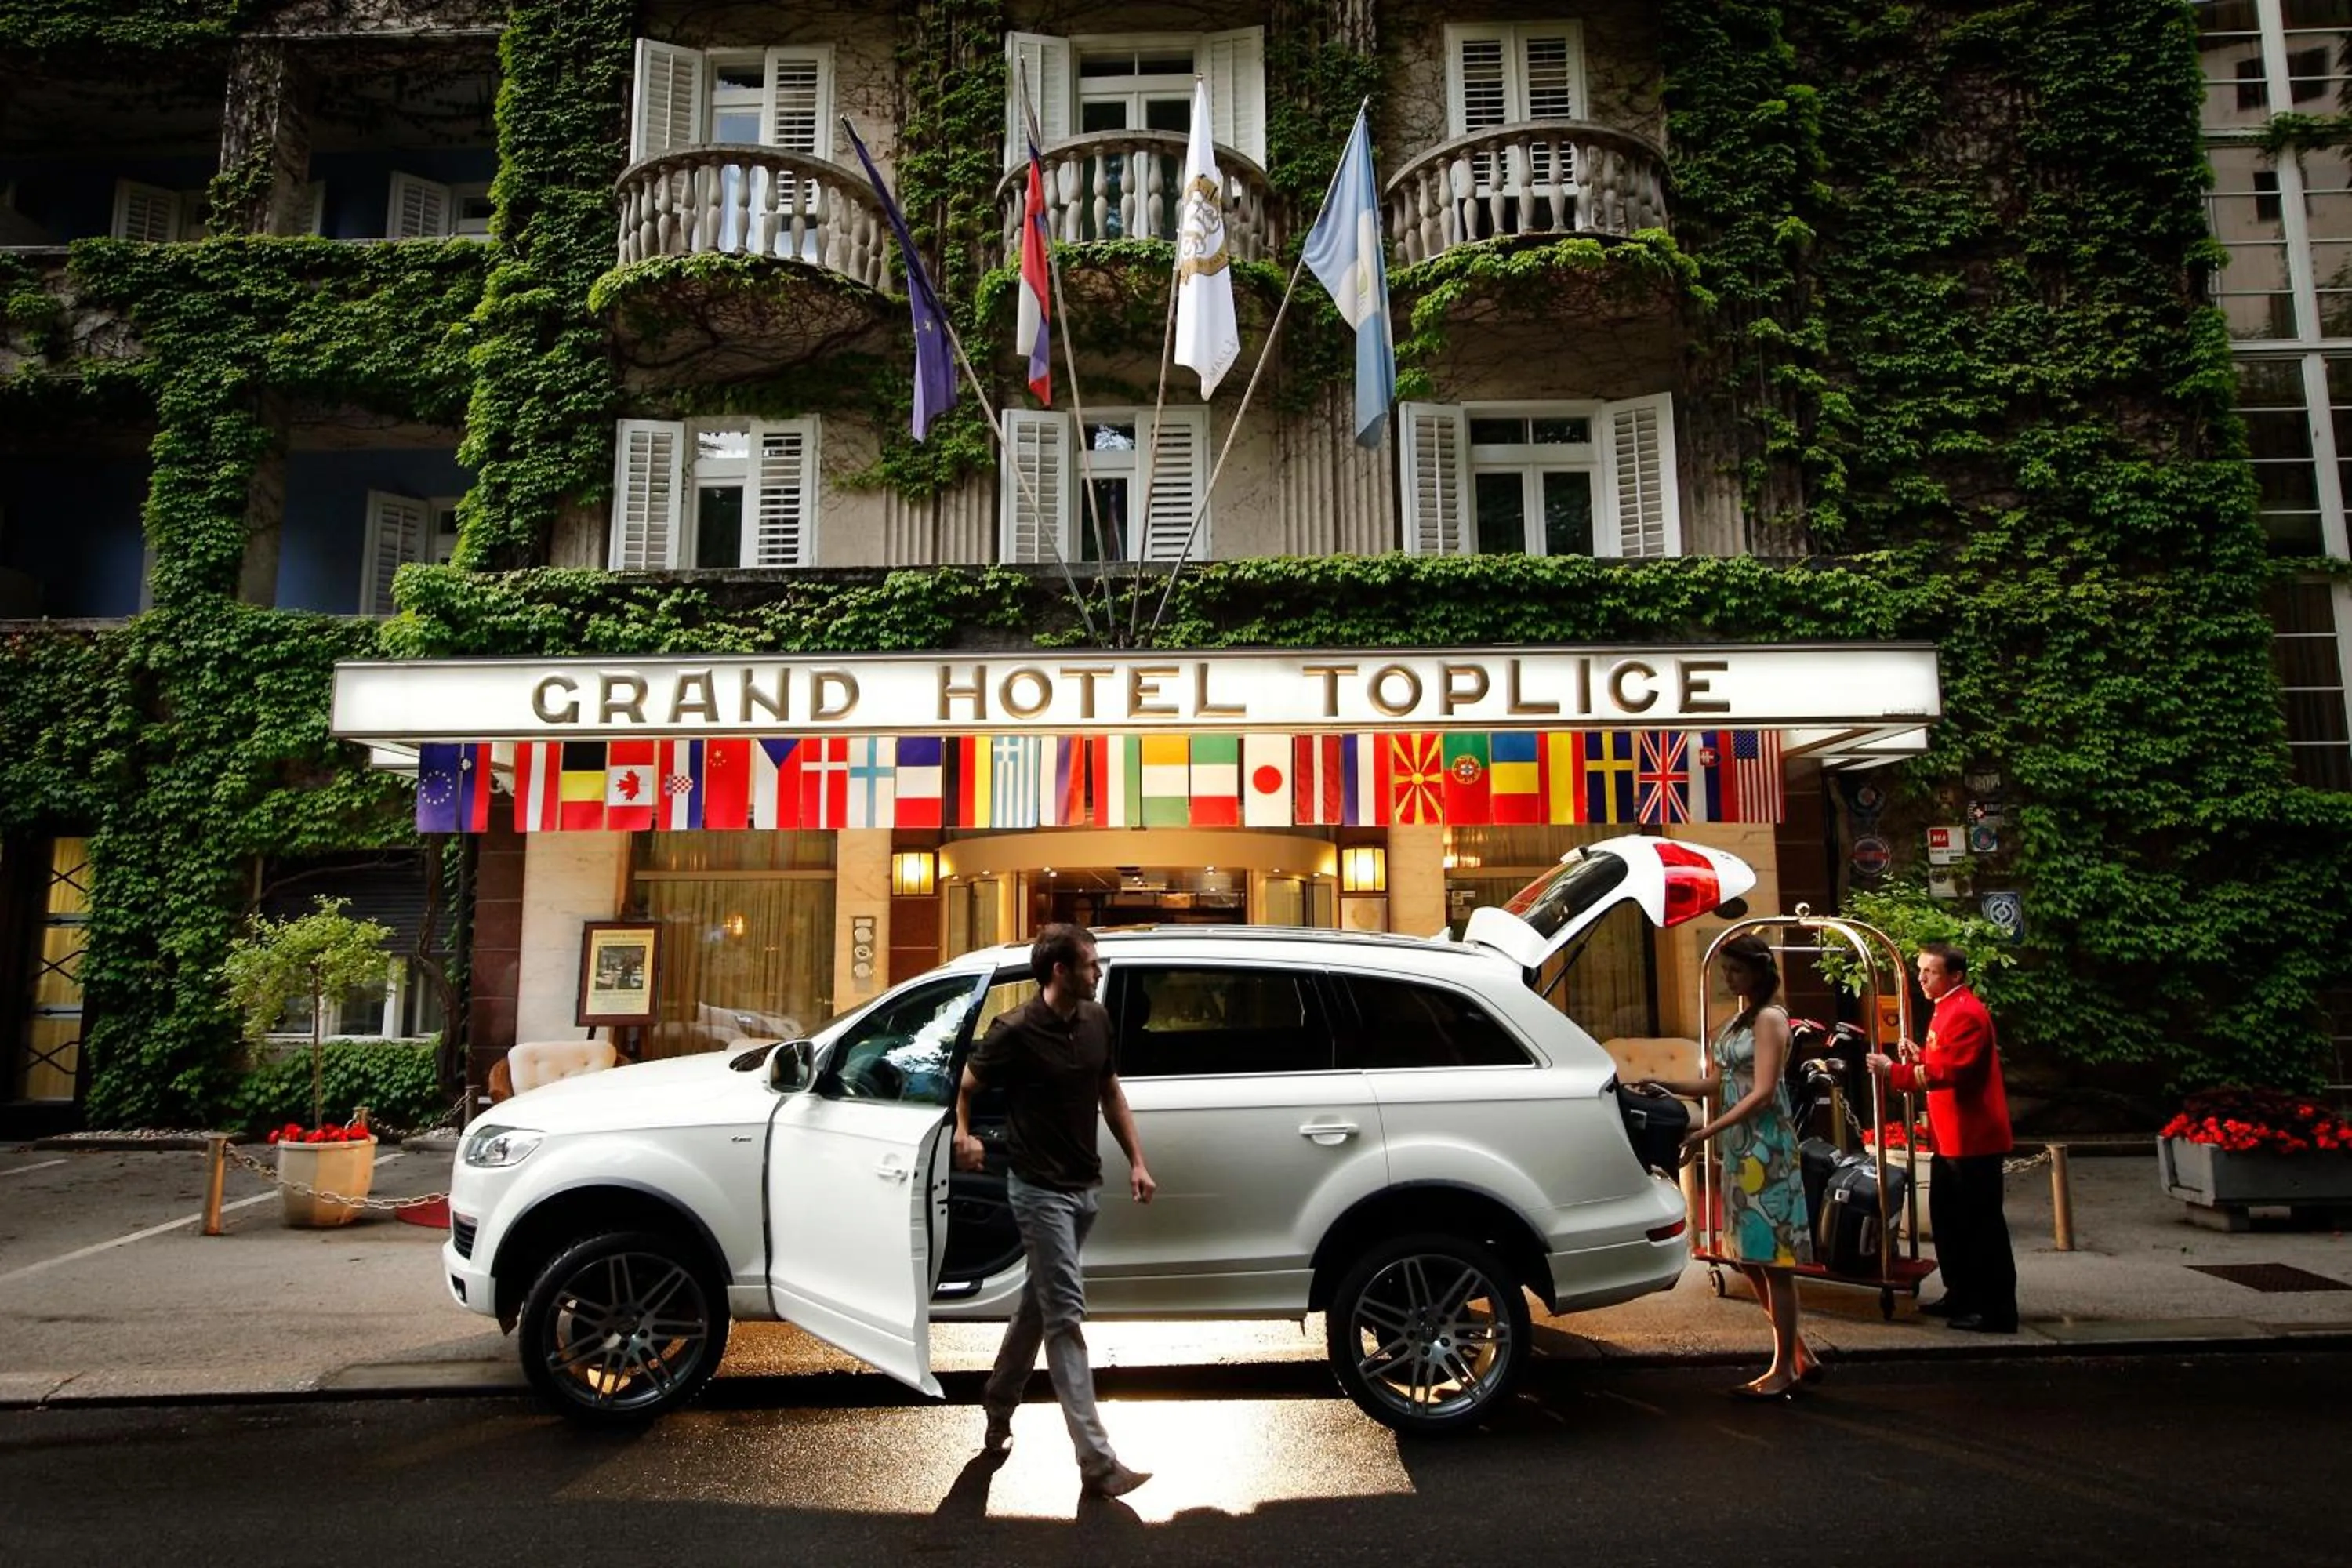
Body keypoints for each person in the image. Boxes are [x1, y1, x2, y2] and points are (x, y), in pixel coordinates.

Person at [953, 923, 1157, 1496]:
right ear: (1061, 972)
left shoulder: (1095, 1019)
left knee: (1037, 1309)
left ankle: (997, 1401)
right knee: (1066, 1315)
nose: (1098, 971)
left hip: (1084, 1188)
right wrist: (964, 1136)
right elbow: (966, 1086)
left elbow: (1109, 1090)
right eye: (1090, 964)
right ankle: (1098, 1462)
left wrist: (1137, 1161)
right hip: (1037, 1191)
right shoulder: (1014, 1030)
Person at [1639, 934, 1822, 1399]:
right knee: (1751, 1257)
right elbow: (1716, 1081)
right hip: (1743, 1149)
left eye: (1735, 972)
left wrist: (1707, 1132)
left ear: (1758, 972)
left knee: (1774, 1263)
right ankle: (1797, 1350)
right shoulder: (1740, 1019)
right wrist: (1663, 1083)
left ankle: (1784, 1367)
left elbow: (1761, 1092)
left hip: (1768, 1148)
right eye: (1726, 972)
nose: (1728, 979)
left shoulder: (1769, 1019)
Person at [1867, 942, 2017, 1333]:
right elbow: (1941, 1061)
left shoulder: (1965, 1012)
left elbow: (1953, 1072)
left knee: (1981, 1227)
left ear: (1955, 976)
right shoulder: (1949, 1008)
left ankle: (1996, 1309)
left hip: (1973, 1138)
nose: (1921, 978)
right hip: (1953, 1138)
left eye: (1929, 972)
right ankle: (1962, 1293)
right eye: (1921, 970)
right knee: (1951, 1222)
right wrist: (1918, 1057)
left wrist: (1893, 1071)